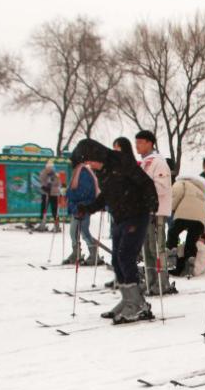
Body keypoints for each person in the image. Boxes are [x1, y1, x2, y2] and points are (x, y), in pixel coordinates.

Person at [74, 137, 158, 323]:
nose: (89, 166)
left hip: (137, 214)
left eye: (89, 161)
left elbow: (145, 182)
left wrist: (152, 204)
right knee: (116, 260)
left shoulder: (121, 162)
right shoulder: (102, 172)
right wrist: (87, 209)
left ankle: (137, 305)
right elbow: (105, 196)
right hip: (120, 218)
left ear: (95, 155)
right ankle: (128, 299)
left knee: (125, 256)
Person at [134, 130, 174, 295]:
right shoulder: (144, 163)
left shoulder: (158, 162)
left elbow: (162, 187)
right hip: (144, 212)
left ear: (150, 143)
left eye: (140, 142)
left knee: (156, 247)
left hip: (156, 211)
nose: (137, 145)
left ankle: (162, 281)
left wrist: (142, 193)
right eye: (136, 142)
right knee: (146, 247)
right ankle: (150, 279)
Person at [167, 172, 205, 276]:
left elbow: (176, 194)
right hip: (201, 220)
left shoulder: (182, 182)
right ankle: (190, 261)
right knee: (190, 242)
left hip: (185, 214)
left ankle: (172, 257)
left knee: (173, 233)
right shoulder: (200, 190)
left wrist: (170, 209)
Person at [64, 159, 101, 266]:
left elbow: (83, 193)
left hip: (82, 207)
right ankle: (76, 253)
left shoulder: (84, 173)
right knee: (74, 232)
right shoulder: (78, 171)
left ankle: (94, 255)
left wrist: (71, 197)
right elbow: (73, 190)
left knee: (83, 231)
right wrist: (67, 193)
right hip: (77, 207)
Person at [37, 159, 61, 230]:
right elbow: (41, 181)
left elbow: (58, 184)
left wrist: (51, 188)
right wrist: (44, 186)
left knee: (55, 210)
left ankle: (56, 225)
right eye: (48, 167)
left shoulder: (55, 174)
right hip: (45, 194)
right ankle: (42, 223)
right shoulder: (43, 173)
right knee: (44, 209)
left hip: (54, 194)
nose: (49, 169)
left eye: (51, 167)